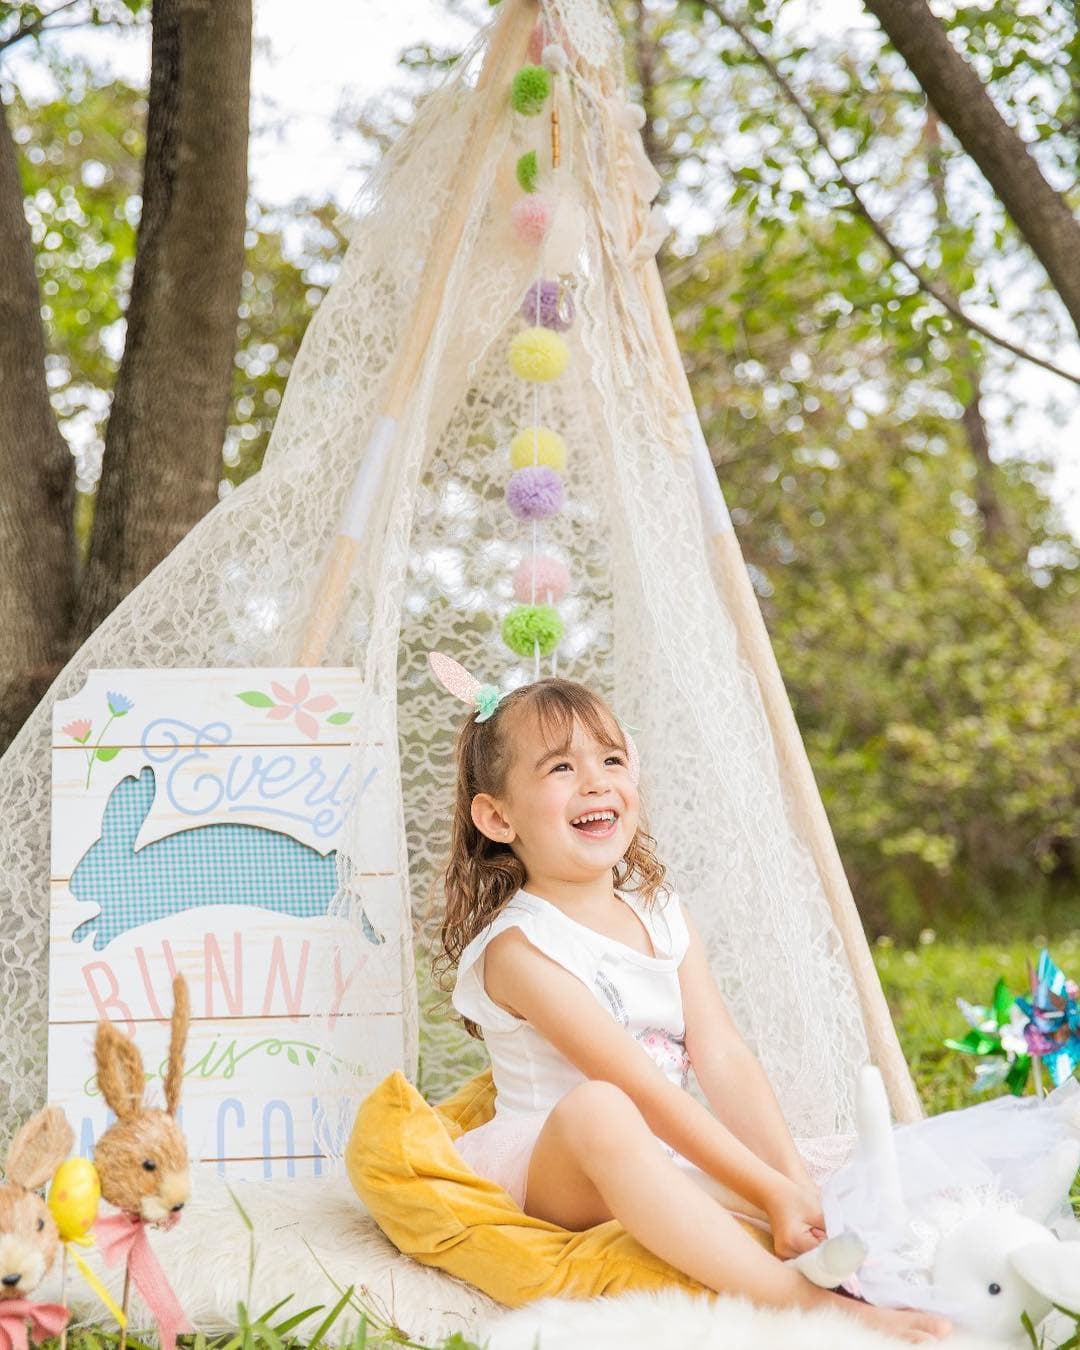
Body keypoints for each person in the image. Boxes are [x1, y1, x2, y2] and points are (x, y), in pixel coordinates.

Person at [428, 656, 950, 1343]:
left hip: (656, 1151)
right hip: (556, 1167)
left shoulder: (659, 909)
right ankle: (809, 1306)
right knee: (602, 1107)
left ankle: (832, 1254)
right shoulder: (521, 948)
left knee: (829, 1197)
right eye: (560, 768)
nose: (596, 781)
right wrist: (766, 1189)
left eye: (612, 759)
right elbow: (636, 1087)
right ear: (498, 817)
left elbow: (721, 1052)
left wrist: (789, 1181)